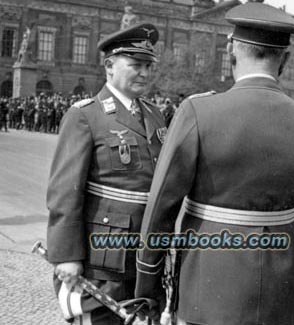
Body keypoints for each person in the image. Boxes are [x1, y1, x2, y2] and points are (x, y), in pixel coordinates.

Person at [135, 3, 294, 325]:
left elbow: (161, 204)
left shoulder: (198, 111)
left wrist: (148, 282)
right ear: (285, 60)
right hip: (283, 287)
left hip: (209, 283)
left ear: (231, 50)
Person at [46, 23, 166, 324]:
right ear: (109, 66)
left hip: (144, 256)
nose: (145, 73)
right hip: (101, 259)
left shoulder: (155, 113)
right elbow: (64, 193)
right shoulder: (86, 115)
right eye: (136, 65)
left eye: (148, 66)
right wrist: (66, 256)